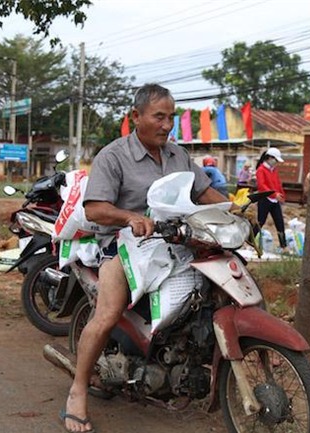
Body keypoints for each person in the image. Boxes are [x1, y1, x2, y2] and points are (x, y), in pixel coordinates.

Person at [61, 84, 230, 433]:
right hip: (123, 244)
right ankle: (78, 391)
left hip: (177, 242)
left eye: (171, 117)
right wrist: (130, 218)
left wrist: (236, 212)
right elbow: (95, 208)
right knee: (107, 314)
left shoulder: (178, 156)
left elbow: (204, 192)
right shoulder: (114, 155)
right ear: (136, 117)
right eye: (159, 117)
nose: (167, 125)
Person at [255, 147, 288, 251]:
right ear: (269, 158)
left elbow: (278, 183)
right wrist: (274, 194)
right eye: (276, 160)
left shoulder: (273, 170)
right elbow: (262, 186)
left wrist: (282, 194)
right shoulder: (261, 170)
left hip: (274, 200)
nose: (276, 162)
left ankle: (283, 245)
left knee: (280, 222)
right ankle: (250, 240)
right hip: (264, 199)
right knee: (260, 221)